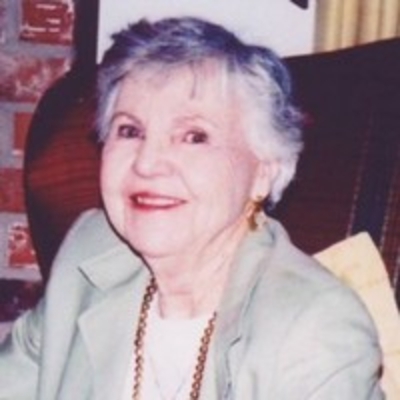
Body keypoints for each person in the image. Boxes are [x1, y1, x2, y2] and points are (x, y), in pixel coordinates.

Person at [0, 17, 383, 400]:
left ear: (263, 172)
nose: (147, 163)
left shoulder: (314, 331)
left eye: (194, 137)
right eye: (130, 130)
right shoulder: (88, 254)